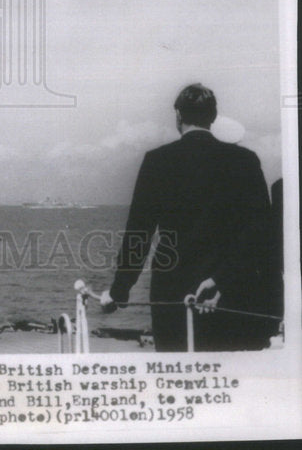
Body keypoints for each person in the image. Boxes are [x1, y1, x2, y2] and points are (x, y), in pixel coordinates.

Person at [100, 84, 276, 351]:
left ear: (178, 117)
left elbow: (139, 233)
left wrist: (119, 291)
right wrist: (221, 280)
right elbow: (261, 234)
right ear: (213, 118)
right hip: (229, 297)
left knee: (177, 378)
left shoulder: (157, 161)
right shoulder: (246, 161)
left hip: (172, 298)